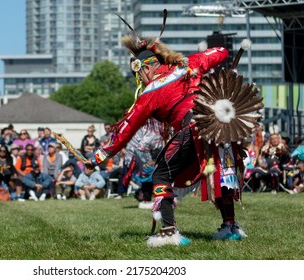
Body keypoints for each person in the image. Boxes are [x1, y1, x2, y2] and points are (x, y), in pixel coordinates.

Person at [86, 13, 259, 246]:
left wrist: (99, 155)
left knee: (161, 174)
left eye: (139, 74)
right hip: (217, 125)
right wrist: (192, 60)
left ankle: (169, 232)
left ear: (147, 67)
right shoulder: (188, 65)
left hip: (194, 128)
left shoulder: (151, 92)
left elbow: (125, 129)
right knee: (219, 172)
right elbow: (221, 53)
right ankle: (230, 227)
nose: (140, 79)